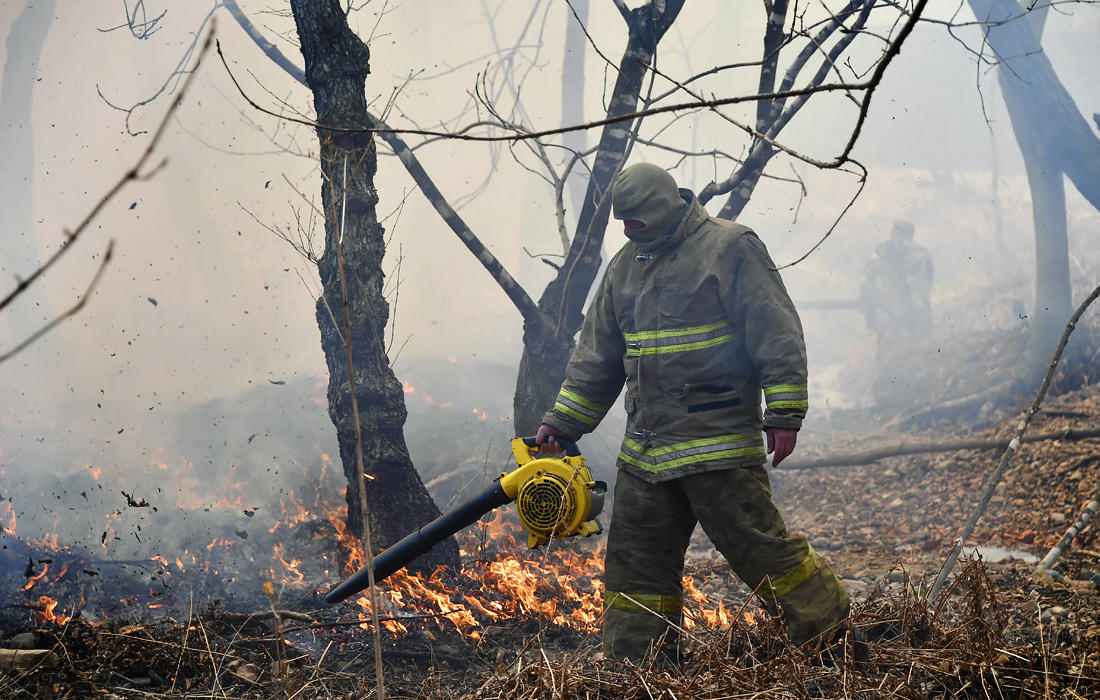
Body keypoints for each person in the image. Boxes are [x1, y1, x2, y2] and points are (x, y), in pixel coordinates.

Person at [535, 162, 850, 665]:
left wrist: (785, 412)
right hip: (646, 452)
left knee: (761, 550)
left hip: (716, 444)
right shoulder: (624, 268)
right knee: (635, 567)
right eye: (622, 221)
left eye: (636, 219)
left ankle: (834, 640)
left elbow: (776, 332)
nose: (627, 230)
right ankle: (639, 670)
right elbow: (597, 356)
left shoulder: (731, 247)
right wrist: (563, 420)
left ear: (662, 208)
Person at [860, 220, 934, 396]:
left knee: (887, 359)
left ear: (894, 232)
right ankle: (918, 394)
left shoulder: (878, 255)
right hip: (919, 314)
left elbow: (867, 288)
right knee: (921, 355)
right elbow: (928, 282)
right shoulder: (922, 254)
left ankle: (886, 397)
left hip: (888, 316)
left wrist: (871, 319)